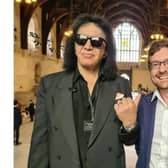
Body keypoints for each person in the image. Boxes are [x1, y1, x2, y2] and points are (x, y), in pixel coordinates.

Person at [28, 14, 139, 168]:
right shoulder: (49, 85)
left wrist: (129, 124)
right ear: (73, 46)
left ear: (106, 50)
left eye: (96, 41)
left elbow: (129, 140)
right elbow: (39, 144)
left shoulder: (121, 85)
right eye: (81, 39)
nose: (87, 46)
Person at [136, 39, 168, 168]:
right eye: (155, 64)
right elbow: (139, 147)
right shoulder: (143, 104)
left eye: (167, 62)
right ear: (149, 70)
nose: (162, 69)